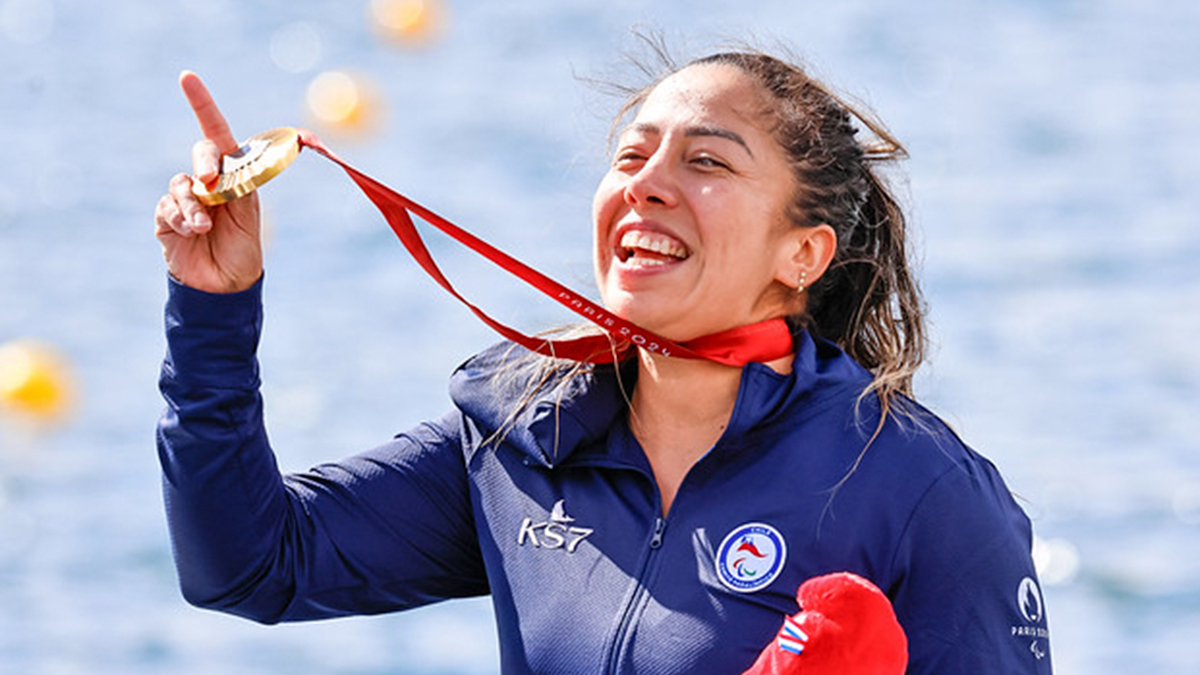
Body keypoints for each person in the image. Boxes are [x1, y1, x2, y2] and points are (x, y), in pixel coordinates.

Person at [154, 46, 1053, 674]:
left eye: (707, 161)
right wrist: (213, 308)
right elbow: (248, 562)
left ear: (803, 255)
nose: (647, 181)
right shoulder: (520, 434)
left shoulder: (916, 490)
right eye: (631, 154)